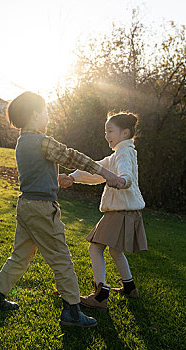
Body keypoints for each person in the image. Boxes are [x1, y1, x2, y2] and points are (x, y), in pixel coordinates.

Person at [0, 92, 124, 327]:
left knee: (21, 254)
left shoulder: (22, 142)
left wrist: (55, 178)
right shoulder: (42, 141)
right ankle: (71, 312)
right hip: (42, 209)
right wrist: (106, 173)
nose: (48, 116)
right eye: (46, 112)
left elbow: (35, 172)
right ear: (35, 114)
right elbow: (73, 157)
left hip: (26, 205)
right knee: (61, 259)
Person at [59, 112, 147, 310]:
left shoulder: (123, 154)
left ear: (125, 133)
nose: (106, 135)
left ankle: (100, 296)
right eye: (105, 131)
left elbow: (126, 174)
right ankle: (129, 287)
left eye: (110, 131)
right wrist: (73, 177)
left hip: (120, 211)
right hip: (127, 211)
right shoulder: (120, 154)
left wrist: (122, 181)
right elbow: (97, 170)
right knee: (115, 250)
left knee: (95, 247)